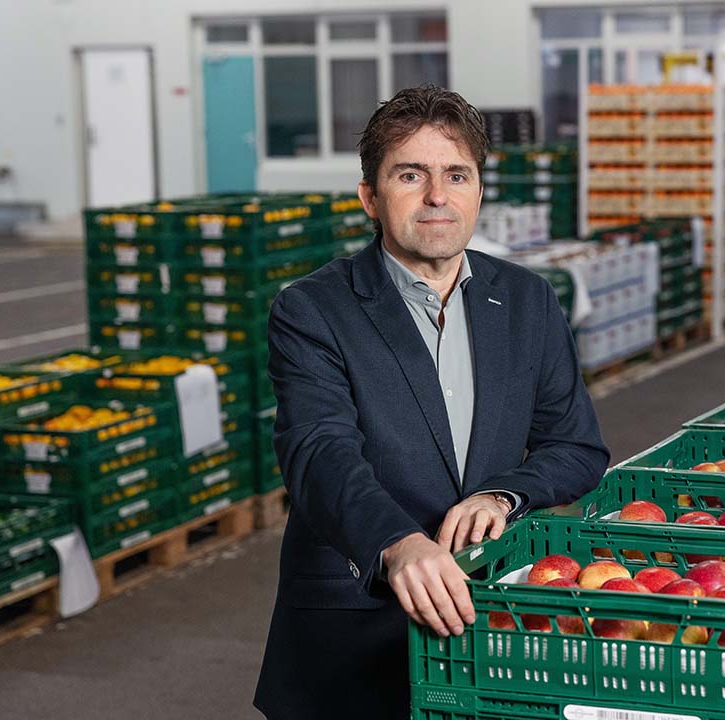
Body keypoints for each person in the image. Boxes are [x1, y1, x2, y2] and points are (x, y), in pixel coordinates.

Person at [253, 85, 609, 719]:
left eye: (456, 175)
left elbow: (575, 445)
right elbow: (318, 450)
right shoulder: (312, 309)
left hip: (489, 626)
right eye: (410, 175)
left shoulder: (528, 300)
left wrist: (503, 494)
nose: (437, 196)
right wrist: (396, 543)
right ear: (370, 196)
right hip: (352, 633)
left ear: (478, 190)